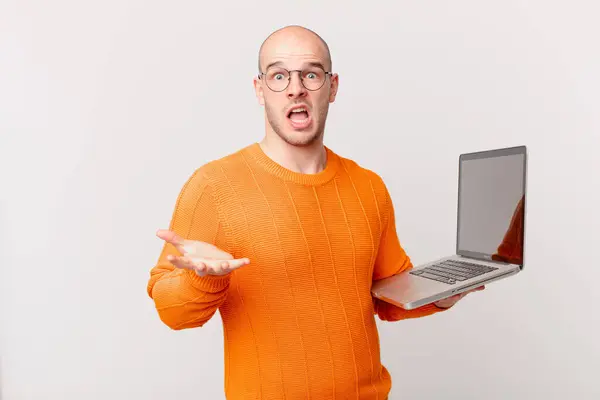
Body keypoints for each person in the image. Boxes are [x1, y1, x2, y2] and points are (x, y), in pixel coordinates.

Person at [147, 25, 483, 400]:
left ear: (332, 87)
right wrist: (203, 279)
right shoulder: (214, 185)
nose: (296, 88)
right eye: (278, 76)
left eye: (310, 73)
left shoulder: (368, 186)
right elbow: (172, 312)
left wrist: (442, 294)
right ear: (260, 91)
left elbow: (385, 294)